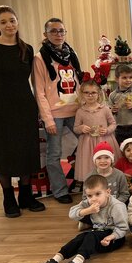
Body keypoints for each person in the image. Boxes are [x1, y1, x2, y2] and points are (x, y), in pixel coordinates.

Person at [0, 5, 44, 216]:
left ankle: (25, 195)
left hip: (25, 107)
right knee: (4, 153)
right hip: (1, 109)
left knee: (27, 151)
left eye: (12, 20)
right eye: (3, 22)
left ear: (17, 22)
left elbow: (31, 79)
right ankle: (8, 198)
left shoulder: (27, 49)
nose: (9, 25)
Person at [37, 174, 128, 263]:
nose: (93, 199)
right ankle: (56, 259)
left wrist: (111, 237)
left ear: (108, 192)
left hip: (114, 238)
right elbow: (72, 214)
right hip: (97, 232)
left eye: (98, 194)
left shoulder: (117, 206)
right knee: (80, 238)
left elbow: (123, 228)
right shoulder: (88, 203)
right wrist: (87, 211)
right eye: (89, 196)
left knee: (90, 236)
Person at [33, 17, 83, 204]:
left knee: (88, 144)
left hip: (76, 110)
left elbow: (78, 82)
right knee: (54, 153)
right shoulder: (40, 58)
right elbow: (39, 91)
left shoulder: (71, 53)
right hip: (55, 114)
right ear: (45, 34)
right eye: (53, 31)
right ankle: (60, 190)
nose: (58, 34)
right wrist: (48, 120)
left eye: (61, 30)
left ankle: (89, 183)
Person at [72, 80, 119, 183]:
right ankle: (93, 184)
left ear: (99, 94)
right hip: (87, 143)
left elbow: (113, 123)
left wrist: (107, 130)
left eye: (93, 92)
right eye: (87, 92)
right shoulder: (80, 111)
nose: (90, 95)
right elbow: (75, 128)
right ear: (82, 94)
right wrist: (81, 128)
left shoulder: (105, 109)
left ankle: (110, 183)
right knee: (90, 164)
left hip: (105, 140)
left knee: (106, 162)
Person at [109, 64, 132, 144]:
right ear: (116, 79)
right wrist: (112, 110)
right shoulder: (112, 95)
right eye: (124, 78)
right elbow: (108, 113)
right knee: (121, 148)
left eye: (130, 77)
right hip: (119, 127)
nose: (128, 80)